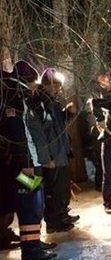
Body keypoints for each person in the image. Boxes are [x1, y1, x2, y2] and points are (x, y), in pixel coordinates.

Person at [0, 60, 57, 260]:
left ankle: (33, 242)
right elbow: (18, 136)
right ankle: (31, 249)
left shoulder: (20, 98)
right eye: (34, 82)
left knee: (36, 201)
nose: (36, 86)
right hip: (21, 167)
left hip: (28, 163)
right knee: (31, 203)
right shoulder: (13, 100)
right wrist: (26, 165)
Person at [26, 68, 78, 233]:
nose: (58, 89)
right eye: (55, 85)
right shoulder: (38, 104)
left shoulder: (52, 102)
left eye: (59, 85)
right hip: (50, 157)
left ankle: (62, 214)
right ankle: (54, 222)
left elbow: (57, 124)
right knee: (52, 190)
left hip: (60, 153)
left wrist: (67, 114)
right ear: (46, 85)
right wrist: (46, 158)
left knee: (62, 188)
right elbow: (39, 134)